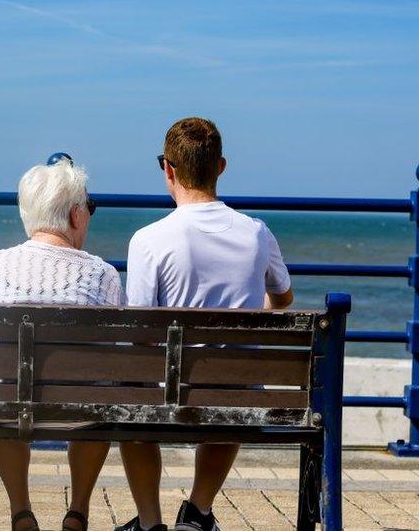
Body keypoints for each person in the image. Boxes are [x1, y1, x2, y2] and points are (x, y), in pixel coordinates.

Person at [117, 118, 294, 531]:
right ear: (221, 167)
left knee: (130, 390)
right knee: (235, 380)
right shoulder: (255, 233)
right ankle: (197, 512)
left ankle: (149, 523)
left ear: (169, 170)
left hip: (168, 394)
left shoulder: (148, 239)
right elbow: (283, 298)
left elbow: (141, 332)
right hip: (234, 394)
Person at [0, 156, 124, 531]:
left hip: (0, 405)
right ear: (74, 215)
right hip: (80, 411)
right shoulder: (102, 274)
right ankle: (78, 511)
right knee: (99, 396)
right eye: (88, 208)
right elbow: (115, 357)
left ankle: (21, 511)